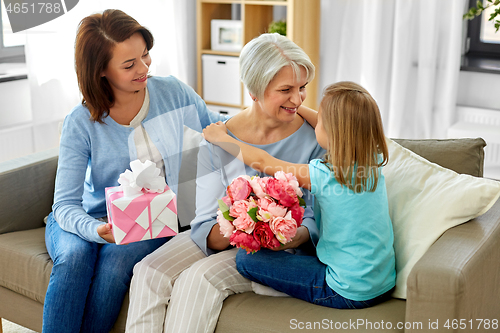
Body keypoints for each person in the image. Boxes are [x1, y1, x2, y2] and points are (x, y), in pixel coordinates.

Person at [126, 33, 325, 332]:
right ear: (255, 90)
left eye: (302, 88)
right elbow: (204, 219)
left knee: (198, 279)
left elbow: (315, 216)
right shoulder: (218, 136)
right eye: (286, 89)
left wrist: (294, 234)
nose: (297, 99)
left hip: (280, 252)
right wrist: (244, 225)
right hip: (227, 236)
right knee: (148, 270)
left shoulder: (315, 139)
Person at [44, 9, 226, 333]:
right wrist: (96, 231)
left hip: (152, 219)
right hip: (88, 217)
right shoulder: (81, 122)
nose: (144, 69)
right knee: (73, 260)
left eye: (145, 56)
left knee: (116, 265)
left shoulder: (173, 93)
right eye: (129, 65)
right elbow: (65, 206)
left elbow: (218, 130)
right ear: (101, 71)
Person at [202, 81, 396, 309]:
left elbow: (264, 162)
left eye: (320, 121)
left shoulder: (325, 175)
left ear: (333, 132)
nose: (314, 125)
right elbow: (339, 124)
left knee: (247, 260)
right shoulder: (372, 160)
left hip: (345, 291)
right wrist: (293, 106)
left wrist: (222, 138)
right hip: (382, 282)